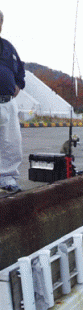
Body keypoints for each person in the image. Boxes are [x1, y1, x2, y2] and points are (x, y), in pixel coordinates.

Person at [0, 10, 25, 193]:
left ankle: (7, 179)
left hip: (8, 103)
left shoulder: (8, 47)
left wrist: (18, 84)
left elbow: (20, 69)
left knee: (11, 144)